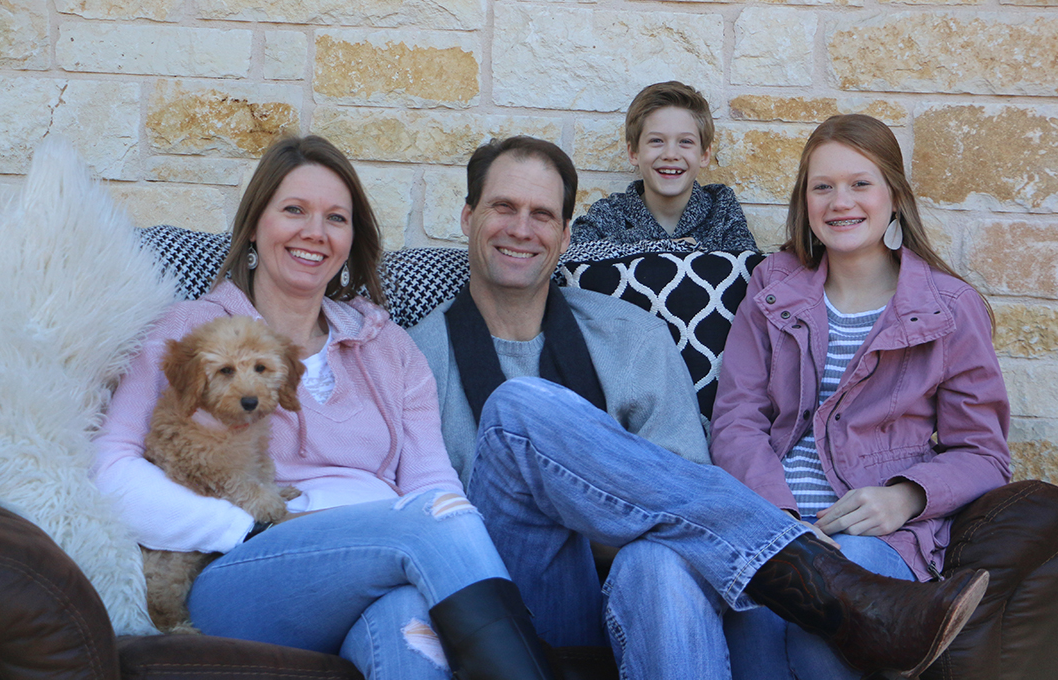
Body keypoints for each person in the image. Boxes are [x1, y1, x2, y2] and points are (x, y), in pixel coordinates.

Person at [409, 135, 989, 680]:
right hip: (504, 596)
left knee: (657, 566)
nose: (520, 229)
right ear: (467, 218)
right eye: (502, 207)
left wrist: (907, 493)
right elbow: (414, 523)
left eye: (542, 215)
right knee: (518, 408)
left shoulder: (629, 336)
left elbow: (681, 479)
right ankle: (803, 562)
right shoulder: (409, 360)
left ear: (566, 237)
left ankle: (800, 568)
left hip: (623, 584)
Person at [91, 135, 553, 680]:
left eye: (336, 217)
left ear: (350, 239)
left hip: (382, 566)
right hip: (242, 569)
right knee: (430, 522)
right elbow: (110, 470)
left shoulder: (388, 347)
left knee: (408, 623)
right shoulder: (192, 332)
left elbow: (431, 477)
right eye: (294, 211)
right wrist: (244, 527)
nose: (315, 232)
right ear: (255, 225)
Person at [711, 113, 1012, 679]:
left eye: (860, 183)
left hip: (879, 536)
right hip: (772, 524)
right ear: (805, 200)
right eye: (821, 186)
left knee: (818, 635)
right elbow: (736, 418)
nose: (839, 201)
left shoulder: (950, 306)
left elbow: (985, 455)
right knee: (755, 616)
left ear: (894, 196)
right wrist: (780, 520)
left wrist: (906, 497)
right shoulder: (772, 284)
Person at [570, 81, 757, 251]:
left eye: (685, 141)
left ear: (704, 155)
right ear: (633, 153)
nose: (670, 155)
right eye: (657, 140)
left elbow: (746, 267)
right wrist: (671, 247)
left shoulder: (721, 208)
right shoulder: (609, 214)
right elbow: (573, 263)